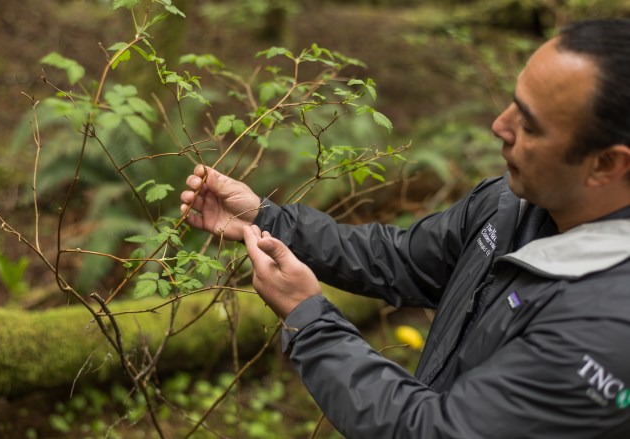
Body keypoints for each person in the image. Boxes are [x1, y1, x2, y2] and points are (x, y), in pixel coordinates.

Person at [180, 19, 630, 438]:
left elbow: (433, 430)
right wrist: (266, 218)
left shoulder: (605, 333)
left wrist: (309, 319)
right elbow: (402, 259)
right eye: (513, 101)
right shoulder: (511, 202)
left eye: (529, 126)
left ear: (606, 164)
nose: (500, 126)